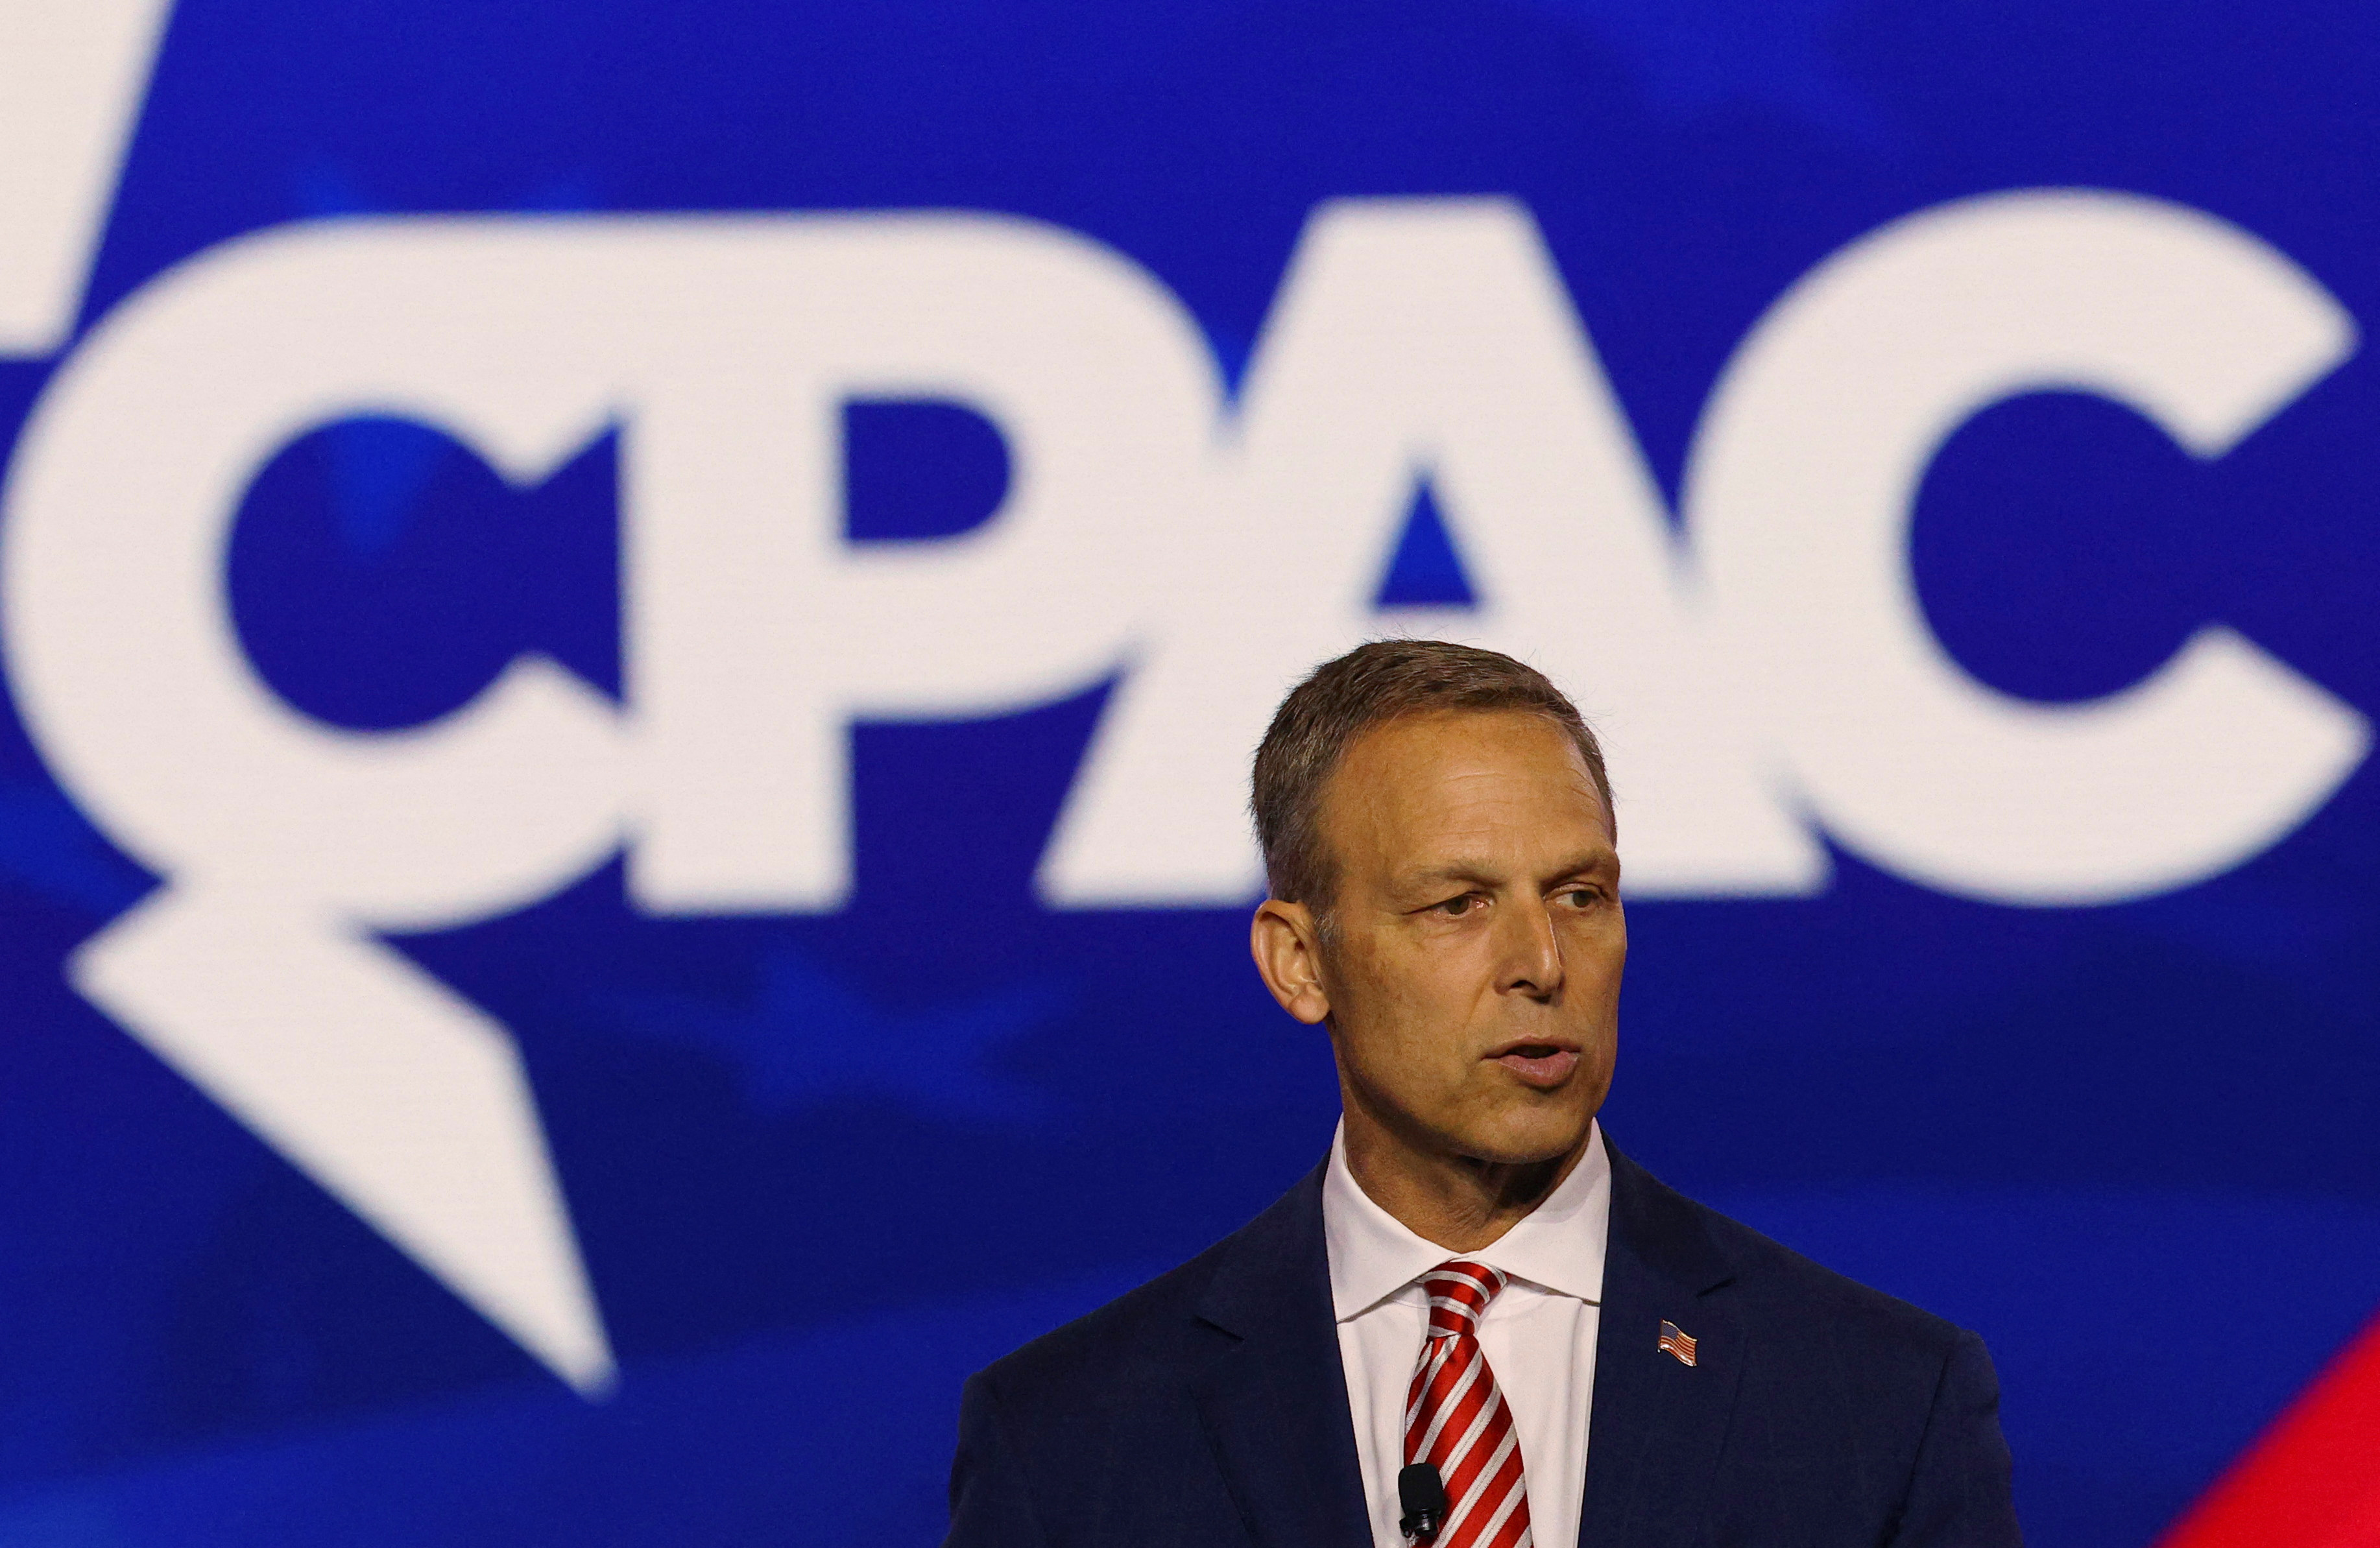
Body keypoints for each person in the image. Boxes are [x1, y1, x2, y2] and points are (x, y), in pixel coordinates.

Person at [943, 640, 2020, 1548]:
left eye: (1579, 895)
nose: (1541, 961)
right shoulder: (1069, 1438)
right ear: (1299, 963)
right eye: (1457, 905)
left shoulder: (1875, 1400)